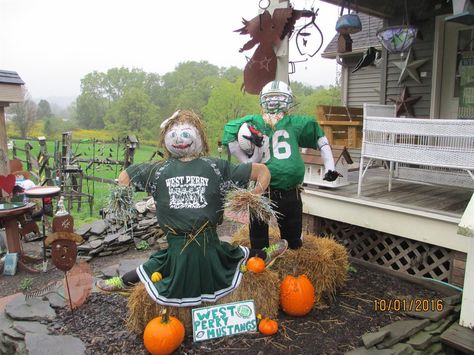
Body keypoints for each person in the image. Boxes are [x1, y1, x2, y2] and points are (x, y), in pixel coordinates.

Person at [96, 110, 287, 306]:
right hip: (177, 245)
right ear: (165, 139)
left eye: (186, 133)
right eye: (174, 134)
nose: (180, 139)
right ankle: (123, 281)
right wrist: (121, 193)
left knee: (230, 254)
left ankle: (264, 254)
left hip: (209, 241)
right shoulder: (157, 169)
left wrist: (256, 193)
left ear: (198, 136)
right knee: (162, 263)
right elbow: (126, 174)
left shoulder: (216, 166)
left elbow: (261, 170)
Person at [221, 80, 340, 251]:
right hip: (262, 190)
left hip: (289, 189)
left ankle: (282, 254)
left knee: (292, 238)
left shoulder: (293, 122)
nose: (274, 101)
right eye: (270, 97)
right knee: (258, 238)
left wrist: (330, 166)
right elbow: (230, 131)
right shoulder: (256, 121)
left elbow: (320, 138)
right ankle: (260, 259)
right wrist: (247, 163)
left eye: (278, 97)